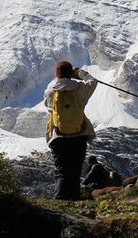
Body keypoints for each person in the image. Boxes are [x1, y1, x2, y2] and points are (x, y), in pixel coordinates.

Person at [44, 60, 98, 200]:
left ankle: (60, 197)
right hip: (79, 134)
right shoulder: (81, 88)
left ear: (56, 74)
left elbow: (47, 105)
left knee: (61, 169)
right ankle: (74, 196)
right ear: (71, 73)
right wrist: (79, 73)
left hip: (58, 136)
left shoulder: (50, 91)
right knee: (75, 168)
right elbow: (93, 81)